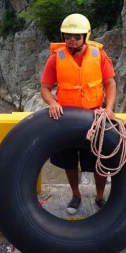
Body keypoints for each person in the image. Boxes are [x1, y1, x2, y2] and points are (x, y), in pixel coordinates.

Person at [40, 13, 117, 214]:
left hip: (95, 116)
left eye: (76, 36)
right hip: (67, 118)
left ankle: (100, 197)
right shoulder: (56, 58)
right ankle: (76, 195)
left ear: (85, 36)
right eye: (67, 36)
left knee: (99, 159)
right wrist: (52, 103)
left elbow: (110, 83)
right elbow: (45, 88)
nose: (71, 40)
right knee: (69, 160)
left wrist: (108, 108)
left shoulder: (99, 55)